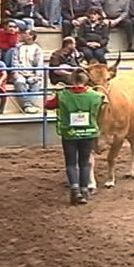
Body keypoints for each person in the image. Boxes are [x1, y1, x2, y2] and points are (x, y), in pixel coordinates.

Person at [44, 69, 106, 205]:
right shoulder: (95, 95)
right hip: (88, 132)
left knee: (71, 163)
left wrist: (57, 91)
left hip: (69, 133)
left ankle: (75, 189)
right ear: (86, 81)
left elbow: (48, 105)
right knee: (85, 163)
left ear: (71, 81)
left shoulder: (62, 95)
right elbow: (103, 101)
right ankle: (84, 190)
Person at [12, 28, 43, 114]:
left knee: (37, 84)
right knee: (19, 82)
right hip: (20, 73)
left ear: (31, 36)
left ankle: (30, 104)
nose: (23, 35)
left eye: (26, 33)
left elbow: (39, 63)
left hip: (32, 73)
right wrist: (16, 72)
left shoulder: (37, 49)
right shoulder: (18, 47)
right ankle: (27, 105)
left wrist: (37, 76)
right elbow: (15, 61)